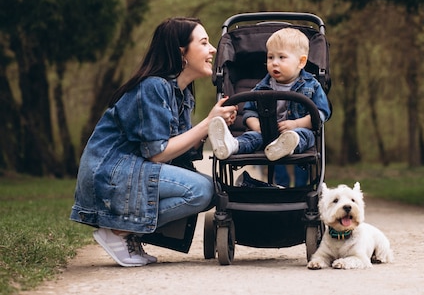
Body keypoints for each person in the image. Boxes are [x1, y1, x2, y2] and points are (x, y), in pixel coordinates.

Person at [70, 17, 238, 267]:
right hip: (111, 174)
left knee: (213, 190)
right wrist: (206, 123)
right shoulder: (153, 87)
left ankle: (128, 233)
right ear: (182, 51)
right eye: (204, 43)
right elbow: (157, 153)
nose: (212, 49)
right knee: (201, 190)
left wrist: (214, 127)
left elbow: (178, 151)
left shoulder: (180, 95)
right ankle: (117, 232)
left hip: (132, 172)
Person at [207, 27, 331, 186]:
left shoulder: (311, 86)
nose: (274, 63)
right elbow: (249, 111)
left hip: (298, 132)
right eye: (270, 57)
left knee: (305, 135)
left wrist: (296, 124)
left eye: (281, 57)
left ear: (301, 61)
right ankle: (232, 145)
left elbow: (322, 113)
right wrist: (256, 125)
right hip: (267, 134)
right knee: (252, 137)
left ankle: (289, 146)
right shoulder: (261, 87)